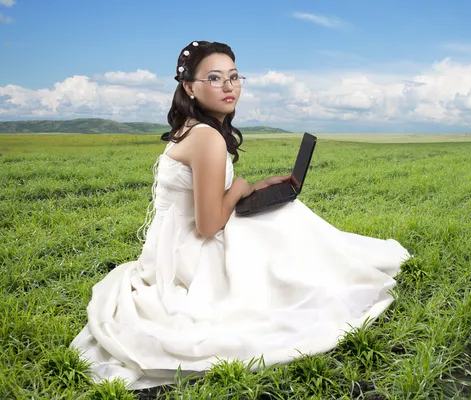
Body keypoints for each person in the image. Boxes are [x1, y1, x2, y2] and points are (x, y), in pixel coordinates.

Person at [70, 40, 411, 390]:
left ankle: (319, 270)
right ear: (189, 86)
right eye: (215, 79)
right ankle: (327, 280)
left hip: (171, 245)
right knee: (285, 218)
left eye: (234, 77)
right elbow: (207, 225)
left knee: (280, 211)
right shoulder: (206, 138)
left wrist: (259, 185)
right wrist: (241, 187)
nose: (229, 86)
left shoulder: (193, 127)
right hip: (188, 255)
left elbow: (204, 199)